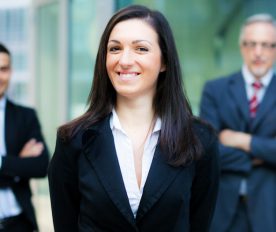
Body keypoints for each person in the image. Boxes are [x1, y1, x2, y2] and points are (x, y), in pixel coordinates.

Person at [48, 5, 219, 232]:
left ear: (164, 61)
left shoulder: (199, 139)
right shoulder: (73, 139)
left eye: (140, 49)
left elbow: (199, 223)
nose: (125, 60)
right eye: (115, 48)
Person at [200, 13, 276, 232]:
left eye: (267, 45)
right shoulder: (215, 90)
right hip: (223, 213)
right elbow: (208, 151)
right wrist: (262, 154)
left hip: (270, 211)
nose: (258, 52)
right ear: (241, 47)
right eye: (251, 44)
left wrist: (243, 141)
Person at [0, 43, 49, 232]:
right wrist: (19, 164)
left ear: (11, 72)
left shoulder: (25, 116)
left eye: (3, 69)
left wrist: (3, 164)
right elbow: (28, 166)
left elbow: (42, 165)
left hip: (20, 224)